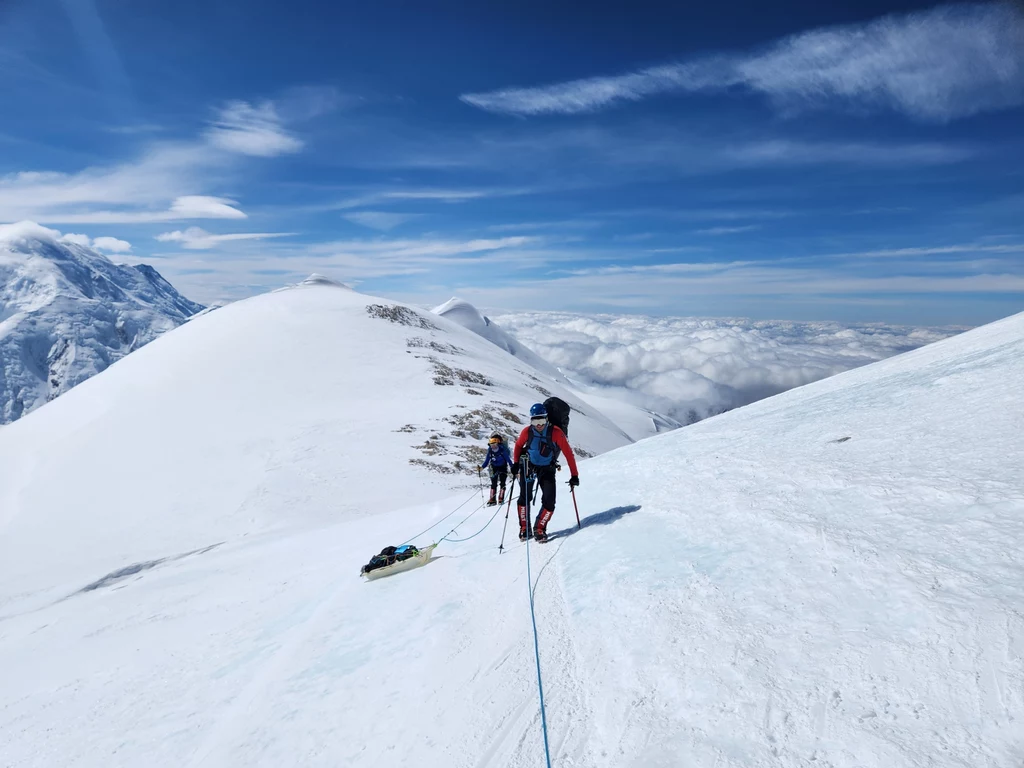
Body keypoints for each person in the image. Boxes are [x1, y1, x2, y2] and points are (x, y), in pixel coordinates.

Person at [511, 403, 579, 543]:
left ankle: (539, 528)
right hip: (528, 466)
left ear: (546, 419)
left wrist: (574, 475)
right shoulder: (527, 432)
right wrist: (516, 463)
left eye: (541, 420)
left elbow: (568, 454)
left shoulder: (556, 432)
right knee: (525, 497)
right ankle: (524, 528)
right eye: (535, 421)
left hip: (547, 468)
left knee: (549, 500)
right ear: (531, 420)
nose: (539, 425)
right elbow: (518, 446)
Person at [479, 432, 512, 506]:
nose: (493, 446)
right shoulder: (490, 451)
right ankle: (493, 499)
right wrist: (482, 468)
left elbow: (508, 460)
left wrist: (513, 467)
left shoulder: (502, 450)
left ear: (497, 444)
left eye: (494, 444)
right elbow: (487, 461)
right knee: (494, 483)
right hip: (494, 467)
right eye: (491, 445)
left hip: (502, 467)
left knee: (502, 483)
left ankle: (499, 499)